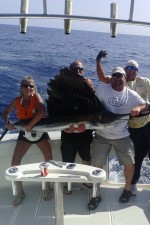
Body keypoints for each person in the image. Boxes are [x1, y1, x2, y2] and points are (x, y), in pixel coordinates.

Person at [96, 50, 150, 196]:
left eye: (134, 69)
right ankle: (132, 184)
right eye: (129, 68)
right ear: (124, 72)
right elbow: (102, 77)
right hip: (132, 127)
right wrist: (98, 61)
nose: (131, 71)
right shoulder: (117, 81)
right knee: (137, 157)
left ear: (137, 71)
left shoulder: (143, 81)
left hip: (148, 122)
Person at [88, 66, 147, 210]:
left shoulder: (131, 95)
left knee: (130, 163)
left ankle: (127, 190)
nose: (117, 79)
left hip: (122, 135)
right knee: (96, 164)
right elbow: (91, 104)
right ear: (111, 78)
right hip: (101, 135)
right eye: (114, 76)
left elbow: (144, 105)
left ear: (125, 78)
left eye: (120, 76)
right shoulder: (103, 89)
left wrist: (138, 109)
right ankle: (96, 194)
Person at [2, 76, 53, 207]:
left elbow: (42, 111)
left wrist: (30, 125)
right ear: (21, 88)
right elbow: (6, 111)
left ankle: (47, 188)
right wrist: (7, 122)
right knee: (14, 163)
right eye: (25, 86)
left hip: (39, 132)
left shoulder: (36, 97)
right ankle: (20, 193)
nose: (28, 88)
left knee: (48, 160)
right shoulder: (17, 100)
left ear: (34, 87)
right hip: (24, 133)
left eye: (31, 85)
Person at [60, 61, 94, 195]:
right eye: (74, 69)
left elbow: (94, 106)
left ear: (83, 71)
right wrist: (67, 128)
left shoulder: (88, 85)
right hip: (68, 129)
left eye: (80, 69)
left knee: (86, 157)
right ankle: (67, 185)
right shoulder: (63, 88)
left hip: (84, 129)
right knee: (68, 158)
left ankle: (87, 181)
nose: (78, 71)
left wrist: (90, 88)